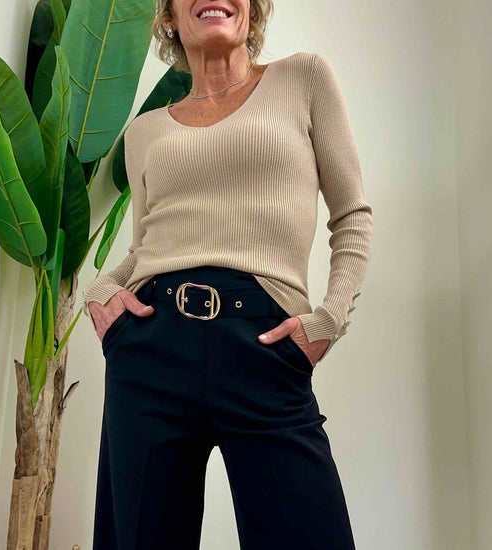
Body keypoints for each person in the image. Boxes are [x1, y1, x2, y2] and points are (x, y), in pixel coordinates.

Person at [82, 1, 373, 548]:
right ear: (170, 16)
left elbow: (352, 215)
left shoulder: (303, 79)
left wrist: (328, 320)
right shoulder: (143, 132)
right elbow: (145, 248)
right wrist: (101, 293)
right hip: (149, 352)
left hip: (264, 346)